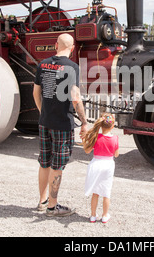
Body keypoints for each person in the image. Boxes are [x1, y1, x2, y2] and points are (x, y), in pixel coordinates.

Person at [33, 33, 88, 217]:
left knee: (44, 162)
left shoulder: (43, 64)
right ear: (72, 49)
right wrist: (85, 123)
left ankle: (42, 202)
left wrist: (43, 112)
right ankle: (52, 207)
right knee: (57, 166)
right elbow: (75, 97)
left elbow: (35, 93)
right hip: (62, 124)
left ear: (55, 45)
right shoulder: (72, 67)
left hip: (45, 122)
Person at [82, 113, 119, 223]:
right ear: (112, 126)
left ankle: (93, 215)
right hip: (108, 165)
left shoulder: (96, 137)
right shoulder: (115, 139)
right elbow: (116, 155)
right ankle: (104, 215)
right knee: (106, 193)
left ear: (101, 126)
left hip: (96, 163)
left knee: (95, 192)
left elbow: (87, 151)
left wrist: (85, 140)